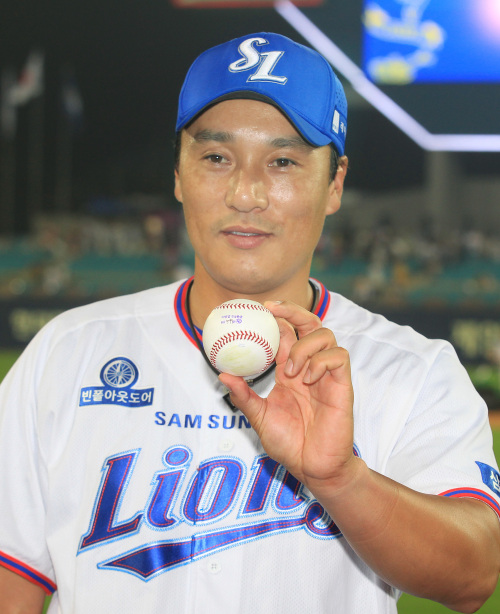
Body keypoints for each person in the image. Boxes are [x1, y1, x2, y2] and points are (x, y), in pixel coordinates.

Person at [0, 32, 499, 614]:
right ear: (178, 173)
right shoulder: (67, 352)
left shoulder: (413, 369)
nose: (245, 193)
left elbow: (474, 575)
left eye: (283, 161)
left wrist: (343, 480)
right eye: (216, 157)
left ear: (335, 183)